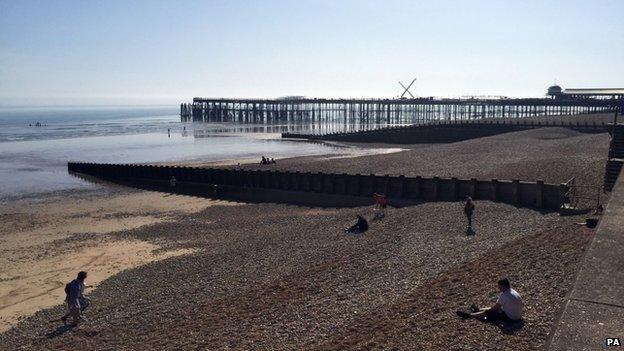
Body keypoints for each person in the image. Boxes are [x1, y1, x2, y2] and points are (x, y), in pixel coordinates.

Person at [457, 278, 523, 322]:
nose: (498, 288)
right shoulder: (513, 291)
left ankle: (469, 315)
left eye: (499, 286)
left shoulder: (504, 295)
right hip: (518, 315)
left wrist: (486, 311)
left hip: (511, 318)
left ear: (503, 286)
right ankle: (478, 310)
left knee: (489, 312)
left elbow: (495, 308)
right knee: (497, 308)